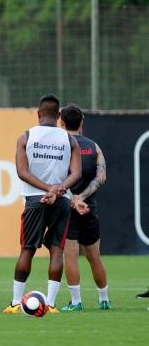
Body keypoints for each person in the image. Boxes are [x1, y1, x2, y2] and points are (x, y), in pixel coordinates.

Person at [3, 94, 82, 315]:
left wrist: (45, 190)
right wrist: (57, 189)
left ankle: (16, 302)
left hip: (34, 199)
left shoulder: (26, 136)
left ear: (38, 114)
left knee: (27, 249)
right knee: (57, 250)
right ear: (59, 116)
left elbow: (22, 172)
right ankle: (52, 304)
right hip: (61, 200)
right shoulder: (70, 140)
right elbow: (76, 173)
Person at [59, 104, 110, 311]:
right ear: (82, 123)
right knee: (94, 256)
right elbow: (101, 177)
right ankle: (104, 299)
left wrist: (73, 197)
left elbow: (56, 178)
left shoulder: (61, 146)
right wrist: (84, 196)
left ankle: (76, 301)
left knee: (70, 254)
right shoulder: (94, 146)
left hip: (68, 209)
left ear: (61, 123)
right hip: (90, 209)